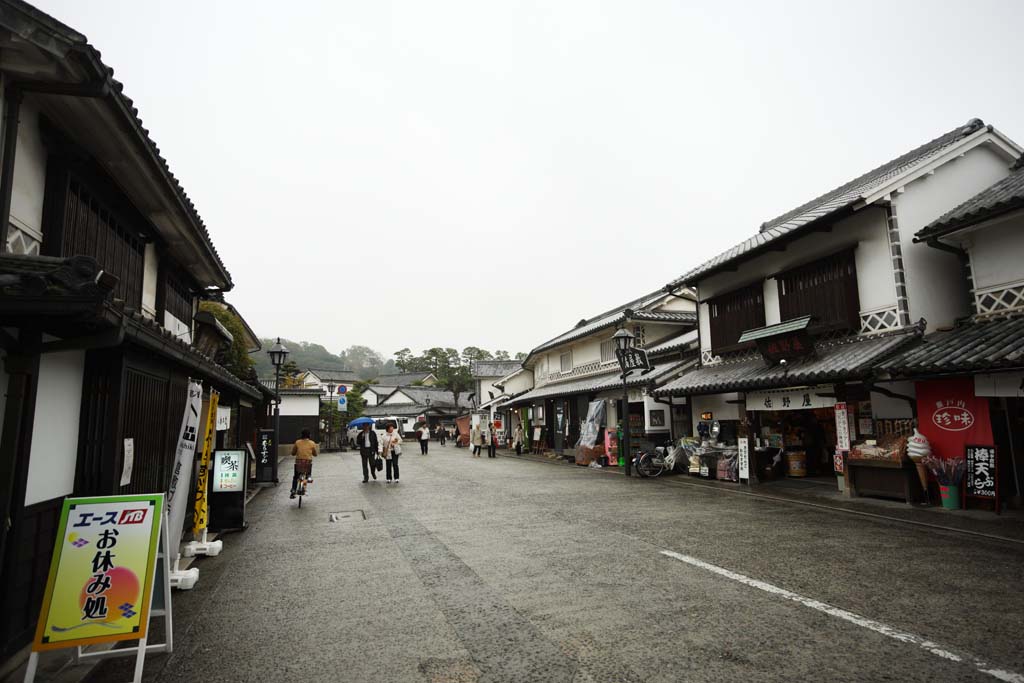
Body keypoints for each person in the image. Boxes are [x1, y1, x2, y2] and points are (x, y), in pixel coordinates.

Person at [290, 429, 319, 499]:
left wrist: (295, 453)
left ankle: (293, 490)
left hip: (298, 464)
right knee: (307, 474)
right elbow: (315, 454)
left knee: (295, 477)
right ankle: (309, 476)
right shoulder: (312, 443)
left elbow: (293, 453)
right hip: (307, 464)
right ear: (309, 435)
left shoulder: (297, 442)